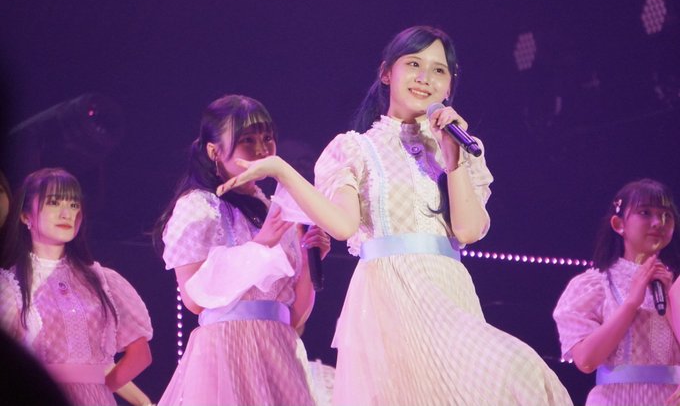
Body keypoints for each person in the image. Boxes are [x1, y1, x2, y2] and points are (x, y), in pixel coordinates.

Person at [219, 25, 572, 405]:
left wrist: (453, 159)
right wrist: (282, 170)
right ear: (387, 73)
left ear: (449, 86)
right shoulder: (354, 149)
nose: (425, 77)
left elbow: (468, 230)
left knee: (521, 375)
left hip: (448, 292)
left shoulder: (461, 147)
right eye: (414, 64)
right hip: (388, 296)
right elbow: (342, 226)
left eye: (439, 70)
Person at [154, 94, 329, 406]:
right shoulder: (199, 207)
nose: (262, 149)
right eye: (248, 140)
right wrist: (261, 245)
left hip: (280, 351)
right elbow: (194, 299)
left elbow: (294, 316)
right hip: (226, 350)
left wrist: (307, 257)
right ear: (214, 151)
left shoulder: (272, 208)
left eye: (267, 138)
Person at [0, 167, 153, 406]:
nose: (66, 213)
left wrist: (96, 388)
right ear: (25, 216)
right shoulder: (10, 284)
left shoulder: (103, 280)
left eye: (73, 205)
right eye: (54, 202)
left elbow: (140, 354)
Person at [553, 178, 680, 405]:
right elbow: (586, 360)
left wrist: (671, 299)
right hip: (614, 399)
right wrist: (631, 303)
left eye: (666, 216)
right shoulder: (594, 284)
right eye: (645, 212)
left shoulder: (675, 286)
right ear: (618, 224)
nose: (658, 222)